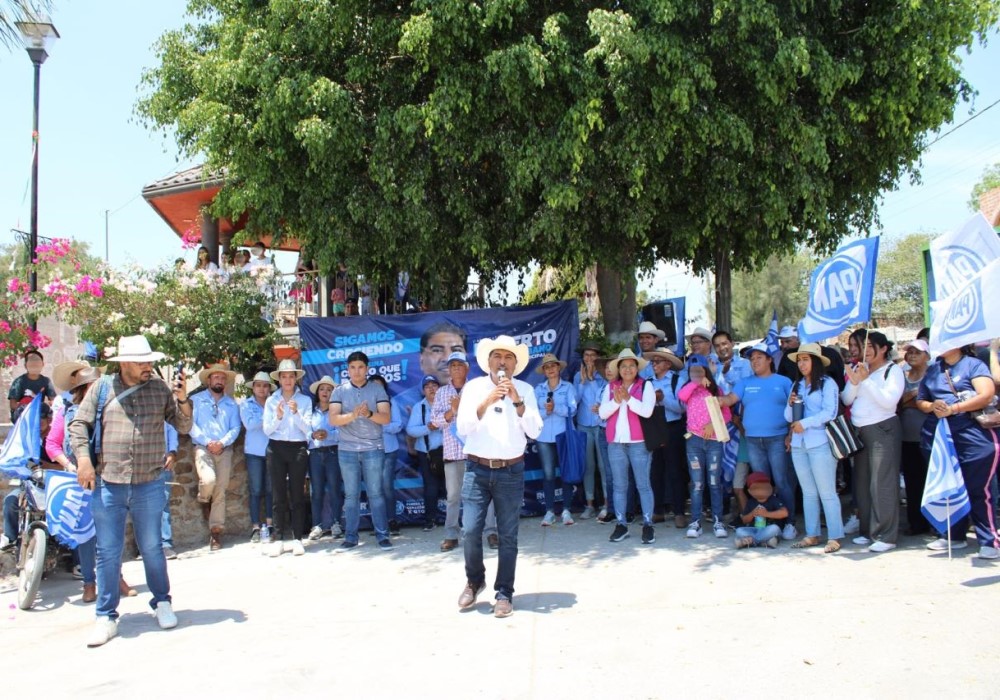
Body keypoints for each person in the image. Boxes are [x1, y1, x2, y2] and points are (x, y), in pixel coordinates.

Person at [68, 335, 192, 647]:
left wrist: (183, 400)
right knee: (108, 552)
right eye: (142, 362)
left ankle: (162, 602)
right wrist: (83, 460)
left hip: (148, 482)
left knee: (152, 547)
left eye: (150, 360)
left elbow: (184, 426)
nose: (148, 366)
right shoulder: (100, 388)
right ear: (125, 364)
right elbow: (78, 425)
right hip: (109, 482)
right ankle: (106, 616)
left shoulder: (160, 389)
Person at [456, 335, 543, 618]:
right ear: (488, 362)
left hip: (510, 471)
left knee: (508, 535)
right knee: (470, 530)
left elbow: (535, 431)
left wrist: (517, 402)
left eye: (508, 358)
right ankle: (475, 580)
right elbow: (464, 427)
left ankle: (504, 592)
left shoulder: (526, 390)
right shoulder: (474, 387)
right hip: (477, 469)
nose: (502, 362)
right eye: (497, 357)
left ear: (515, 364)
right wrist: (486, 402)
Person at [916, 344, 1000, 559]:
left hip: (973, 436)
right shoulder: (934, 369)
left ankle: (988, 539)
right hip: (940, 435)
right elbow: (921, 400)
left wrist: (954, 409)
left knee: (979, 489)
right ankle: (954, 535)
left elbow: (986, 394)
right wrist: (932, 406)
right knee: (948, 485)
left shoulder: (974, 365)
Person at [718, 343, 798, 541]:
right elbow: (730, 399)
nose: (754, 362)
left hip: (778, 438)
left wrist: (790, 435)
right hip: (753, 440)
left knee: (781, 481)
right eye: (752, 359)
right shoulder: (745, 383)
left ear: (770, 360)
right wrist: (713, 398)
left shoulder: (784, 381)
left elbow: (796, 408)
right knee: (761, 483)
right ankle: (765, 524)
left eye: (759, 358)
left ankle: (789, 523)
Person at [841, 331, 905, 553]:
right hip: (860, 431)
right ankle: (867, 531)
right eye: (862, 346)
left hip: (883, 429)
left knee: (882, 482)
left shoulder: (892, 370)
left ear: (884, 348)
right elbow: (847, 398)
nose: (865, 350)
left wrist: (866, 382)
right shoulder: (861, 369)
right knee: (863, 483)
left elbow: (889, 402)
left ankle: (886, 535)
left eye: (870, 346)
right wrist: (857, 380)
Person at [328, 351, 393, 551]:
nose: (356, 371)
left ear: (367, 369)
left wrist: (369, 413)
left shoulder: (377, 390)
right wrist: (353, 415)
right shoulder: (338, 391)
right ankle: (350, 537)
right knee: (351, 495)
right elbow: (333, 420)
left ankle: (383, 536)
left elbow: (386, 418)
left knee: (376, 493)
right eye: (353, 367)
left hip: (373, 448)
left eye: (361, 367)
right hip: (347, 449)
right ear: (347, 369)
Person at [784, 343, 843, 554]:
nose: (801, 364)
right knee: (808, 492)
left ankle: (835, 536)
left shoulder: (828, 383)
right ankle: (812, 534)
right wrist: (791, 406)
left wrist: (805, 423)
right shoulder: (796, 385)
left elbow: (830, 412)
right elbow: (787, 417)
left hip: (820, 442)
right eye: (799, 360)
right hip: (800, 444)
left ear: (815, 361)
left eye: (806, 359)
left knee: (826, 491)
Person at [599, 348, 657, 545]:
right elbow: (602, 413)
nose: (628, 369)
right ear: (619, 369)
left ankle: (648, 524)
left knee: (643, 484)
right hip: (615, 443)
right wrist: (617, 401)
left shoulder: (646, 385)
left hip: (639, 443)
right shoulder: (610, 387)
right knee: (619, 485)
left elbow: (647, 412)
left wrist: (628, 398)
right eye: (624, 366)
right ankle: (621, 524)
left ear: (636, 368)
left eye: (631, 366)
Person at [263, 359, 313, 557]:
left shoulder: (305, 400)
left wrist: (296, 413)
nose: (287, 380)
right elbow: (267, 430)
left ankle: (298, 538)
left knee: (297, 495)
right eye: (284, 376)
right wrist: (279, 416)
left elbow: (308, 429)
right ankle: (279, 538)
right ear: (279, 379)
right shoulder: (271, 401)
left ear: (295, 379)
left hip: (298, 448)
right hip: (276, 448)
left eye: (291, 376)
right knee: (277, 495)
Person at [677, 354, 732, 539]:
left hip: (714, 441)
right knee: (697, 483)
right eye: (693, 372)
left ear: (707, 371)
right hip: (694, 440)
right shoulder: (689, 389)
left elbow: (727, 415)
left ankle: (718, 521)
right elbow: (682, 396)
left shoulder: (717, 390)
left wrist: (712, 425)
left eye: (700, 371)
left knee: (714, 482)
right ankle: (695, 521)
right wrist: (696, 383)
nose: (697, 374)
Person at [190, 364, 241, 551]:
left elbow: (235, 428)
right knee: (209, 480)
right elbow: (191, 425)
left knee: (221, 489)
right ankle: (204, 498)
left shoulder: (231, 404)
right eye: (215, 377)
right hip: (203, 447)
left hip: (224, 449)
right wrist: (208, 441)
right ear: (209, 380)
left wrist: (222, 443)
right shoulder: (195, 400)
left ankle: (216, 531)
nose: (219, 380)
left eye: (222, 377)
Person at [432, 351, 472, 552]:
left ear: (467, 368)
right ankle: (451, 535)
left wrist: (462, 407)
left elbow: (482, 416)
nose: (455, 368)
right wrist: (453, 411)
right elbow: (435, 421)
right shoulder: (441, 393)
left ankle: (490, 532)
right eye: (452, 365)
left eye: (459, 364)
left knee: (480, 496)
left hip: (474, 453)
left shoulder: (476, 389)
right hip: (451, 454)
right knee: (453, 496)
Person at [534, 353, 578, 526]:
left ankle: (567, 510)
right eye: (547, 367)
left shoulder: (568, 387)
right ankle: (549, 511)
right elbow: (534, 414)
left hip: (564, 435)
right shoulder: (538, 389)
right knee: (548, 474)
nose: (551, 369)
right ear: (544, 371)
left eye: (553, 366)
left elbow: (572, 410)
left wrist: (555, 408)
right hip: (544, 437)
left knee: (567, 472)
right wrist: (547, 411)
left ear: (559, 368)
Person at [645, 346, 687, 527]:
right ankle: (658, 510)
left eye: (658, 361)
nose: (654, 364)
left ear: (668, 364)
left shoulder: (678, 380)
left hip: (673, 427)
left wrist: (662, 400)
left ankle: (679, 511)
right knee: (655, 471)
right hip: (654, 428)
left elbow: (682, 408)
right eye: (653, 361)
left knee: (675, 470)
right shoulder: (647, 382)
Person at [899, 339, 933, 536]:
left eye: (917, 352)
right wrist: (916, 398)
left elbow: (934, 402)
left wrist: (914, 400)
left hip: (929, 436)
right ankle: (916, 523)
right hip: (907, 437)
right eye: (909, 352)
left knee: (931, 480)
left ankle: (936, 523)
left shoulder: (934, 375)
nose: (912, 355)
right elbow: (898, 403)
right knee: (913, 482)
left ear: (927, 356)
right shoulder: (902, 377)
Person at [573, 342, 608, 520]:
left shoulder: (604, 375)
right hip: (584, 425)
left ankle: (607, 505)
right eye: (586, 356)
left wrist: (592, 380)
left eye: (593, 355)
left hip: (602, 425)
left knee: (604, 466)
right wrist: (582, 381)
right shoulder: (577, 376)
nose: (589, 359)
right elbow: (575, 401)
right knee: (588, 466)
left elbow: (602, 398)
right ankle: (589, 504)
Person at [241, 371, 275, 543]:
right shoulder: (246, 404)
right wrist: (269, 418)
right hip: (254, 452)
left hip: (272, 450)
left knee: (270, 490)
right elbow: (250, 424)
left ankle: (269, 524)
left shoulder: (274, 403)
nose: (262, 389)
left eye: (265, 385)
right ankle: (255, 527)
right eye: (258, 385)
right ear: (253, 388)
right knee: (255, 490)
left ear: (269, 388)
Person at [306, 375, 342, 541]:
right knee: (316, 491)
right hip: (314, 454)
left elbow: (343, 433)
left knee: (335, 489)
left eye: (329, 389)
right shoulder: (310, 412)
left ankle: (336, 524)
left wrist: (329, 435)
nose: (325, 392)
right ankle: (317, 525)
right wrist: (313, 435)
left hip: (333, 452)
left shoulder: (338, 411)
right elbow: (303, 432)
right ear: (317, 392)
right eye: (322, 389)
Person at [407, 375, 444, 531]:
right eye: (427, 386)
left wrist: (441, 425)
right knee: (431, 487)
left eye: (434, 385)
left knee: (453, 487)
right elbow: (410, 430)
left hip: (448, 452)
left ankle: (458, 520)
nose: (431, 389)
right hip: (427, 453)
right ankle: (431, 520)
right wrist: (428, 428)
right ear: (423, 390)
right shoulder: (419, 407)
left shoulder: (448, 404)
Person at [371, 374, 405, 535]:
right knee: (374, 488)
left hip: (388, 450)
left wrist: (380, 426)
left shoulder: (392, 402)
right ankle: (378, 523)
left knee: (386, 487)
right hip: (369, 450)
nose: (377, 388)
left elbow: (397, 425)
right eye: (374, 385)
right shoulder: (364, 405)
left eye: (380, 385)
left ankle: (391, 520)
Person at [734, 472, 789, 549]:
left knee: (775, 528)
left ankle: (750, 541)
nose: (761, 490)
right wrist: (752, 513)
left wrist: (766, 514)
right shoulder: (750, 502)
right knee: (739, 530)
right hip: (754, 529)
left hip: (768, 529)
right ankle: (765, 542)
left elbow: (785, 513)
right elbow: (744, 520)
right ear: (750, 491)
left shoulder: (773, 500)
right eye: (757, 488)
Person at [7, 349, 55, 416]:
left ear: (42, 364)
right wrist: (27, 409)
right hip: (22, 414)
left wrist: (45, 406)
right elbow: (13, 405)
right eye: (31, 364)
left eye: (37, 364)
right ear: (25, 365)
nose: (34, 367)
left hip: (39, 413)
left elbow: (54, 401)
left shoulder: (46, 381)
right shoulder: (19, 382)